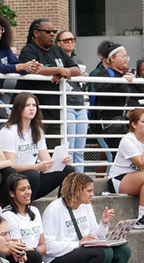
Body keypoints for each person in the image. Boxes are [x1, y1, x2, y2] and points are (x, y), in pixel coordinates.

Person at [43, 172, 130, 263]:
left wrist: (104, 223)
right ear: (77, 191)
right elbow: (48, 247)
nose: (92, 194)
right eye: (89, 191)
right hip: (57, 259)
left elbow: (94, 235)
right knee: (103, 253)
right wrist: (78, 244)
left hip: (81, 251)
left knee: (123, 250)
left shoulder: (86, 205)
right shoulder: (54, 209)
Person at [0, 92, 76, 200]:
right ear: (18, 108)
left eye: (34, 105)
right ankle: (22, 208)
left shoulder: (37, 130)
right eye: (27, 105)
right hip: (13, 182)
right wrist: (36, 167)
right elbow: (10, 166)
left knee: (68, 170)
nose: (32, 108)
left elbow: (47, 160)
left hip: (32, 179)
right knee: (33, 174)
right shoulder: (9, 131)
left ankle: (64, 207)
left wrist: (62, 161)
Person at [18, 18, 81, 136]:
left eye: (54, 31)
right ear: (36, 33)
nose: (52, 34)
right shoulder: (28, 50)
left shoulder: (57, 50)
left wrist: (63, 71)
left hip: (56, 111)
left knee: (56, 150)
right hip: (34, 112)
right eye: (48, 32)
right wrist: (58, 70)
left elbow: (77, 70)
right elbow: (34, 69)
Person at [55, 30, 97, 170]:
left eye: (72, 39)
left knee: (80, 148)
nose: (70, 42)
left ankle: (81, 181)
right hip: (66, 104)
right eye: (66, 40)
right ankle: (70, 180)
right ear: (58, 43)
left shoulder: (77, 61)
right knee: (69, 147)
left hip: (80, 103)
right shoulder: (56, 60)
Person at [91, 40, 144, 138]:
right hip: (116, 125)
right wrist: (120, 81)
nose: (125, 59)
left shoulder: (129, 74)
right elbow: (103, 94)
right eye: (122, 56)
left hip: (132, 123)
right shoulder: (105, 74)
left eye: (127, 57)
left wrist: (136, 81)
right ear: (112, 58)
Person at [1, 174, 52, 263]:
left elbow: (43, 246)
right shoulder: (8, 215)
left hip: (37, 261)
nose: (27, 192)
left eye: (29, 188)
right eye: (22, 189)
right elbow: (20, 252)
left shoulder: (35, 211)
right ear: (12, 193)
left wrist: (34, 250)